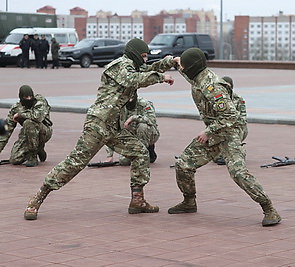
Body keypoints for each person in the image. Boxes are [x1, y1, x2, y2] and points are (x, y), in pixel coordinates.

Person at [24, 38, 177, 221]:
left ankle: (137, 200)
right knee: (75, 163)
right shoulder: (119, 66)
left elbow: (147, 69)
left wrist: (170, 61)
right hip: (98, 124)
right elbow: (134, 80)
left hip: (113, 127)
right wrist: (162, 78)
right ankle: (37, 199)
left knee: (140, 153)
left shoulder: (132, 66)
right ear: (135, 54)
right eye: (143, 56)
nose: (144, 60)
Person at [167, 48, 281, 226]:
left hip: (228, 134)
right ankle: (189, 202)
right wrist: (176, 61)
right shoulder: (197, 76)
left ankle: (269, 209)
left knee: (238, 174)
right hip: (214, 134)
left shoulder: (212, 86)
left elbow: (231, 116)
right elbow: (186, 72)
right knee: (183, 165)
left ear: (193, 67)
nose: (184, 69)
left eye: (185, 66)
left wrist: (208, 131)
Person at [0, 85, 53, 167]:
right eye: (26, 97)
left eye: (30, 96)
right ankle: (39, 148)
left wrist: (21, 115)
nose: (29, 99)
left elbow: (37, 117)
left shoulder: (40, 101)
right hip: (28, 133)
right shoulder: (16, 108)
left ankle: (33, 157)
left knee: (28, 122)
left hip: (44, 131)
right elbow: (6, 131)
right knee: (15, 159)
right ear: (21, 97)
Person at [105, 92, 160, 165]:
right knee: (124, 161)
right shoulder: (120, 107)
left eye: (132, 98)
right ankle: (135, 151)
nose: (130, 101)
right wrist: (110, 155)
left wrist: (133, 118)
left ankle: (144, 152)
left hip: (149, 134)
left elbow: (152, 120)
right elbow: (112, 129)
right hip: (131, 136)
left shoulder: (144, 104)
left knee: (142, 126)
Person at [213, 76, 248, 165]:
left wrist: (232, 126)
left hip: (236, 127)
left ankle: (238, 151)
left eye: (228, 86)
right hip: (221, 126)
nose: (226, 88)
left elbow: (243, 118)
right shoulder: (217, 99)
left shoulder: (238, 99)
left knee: (234, 154)